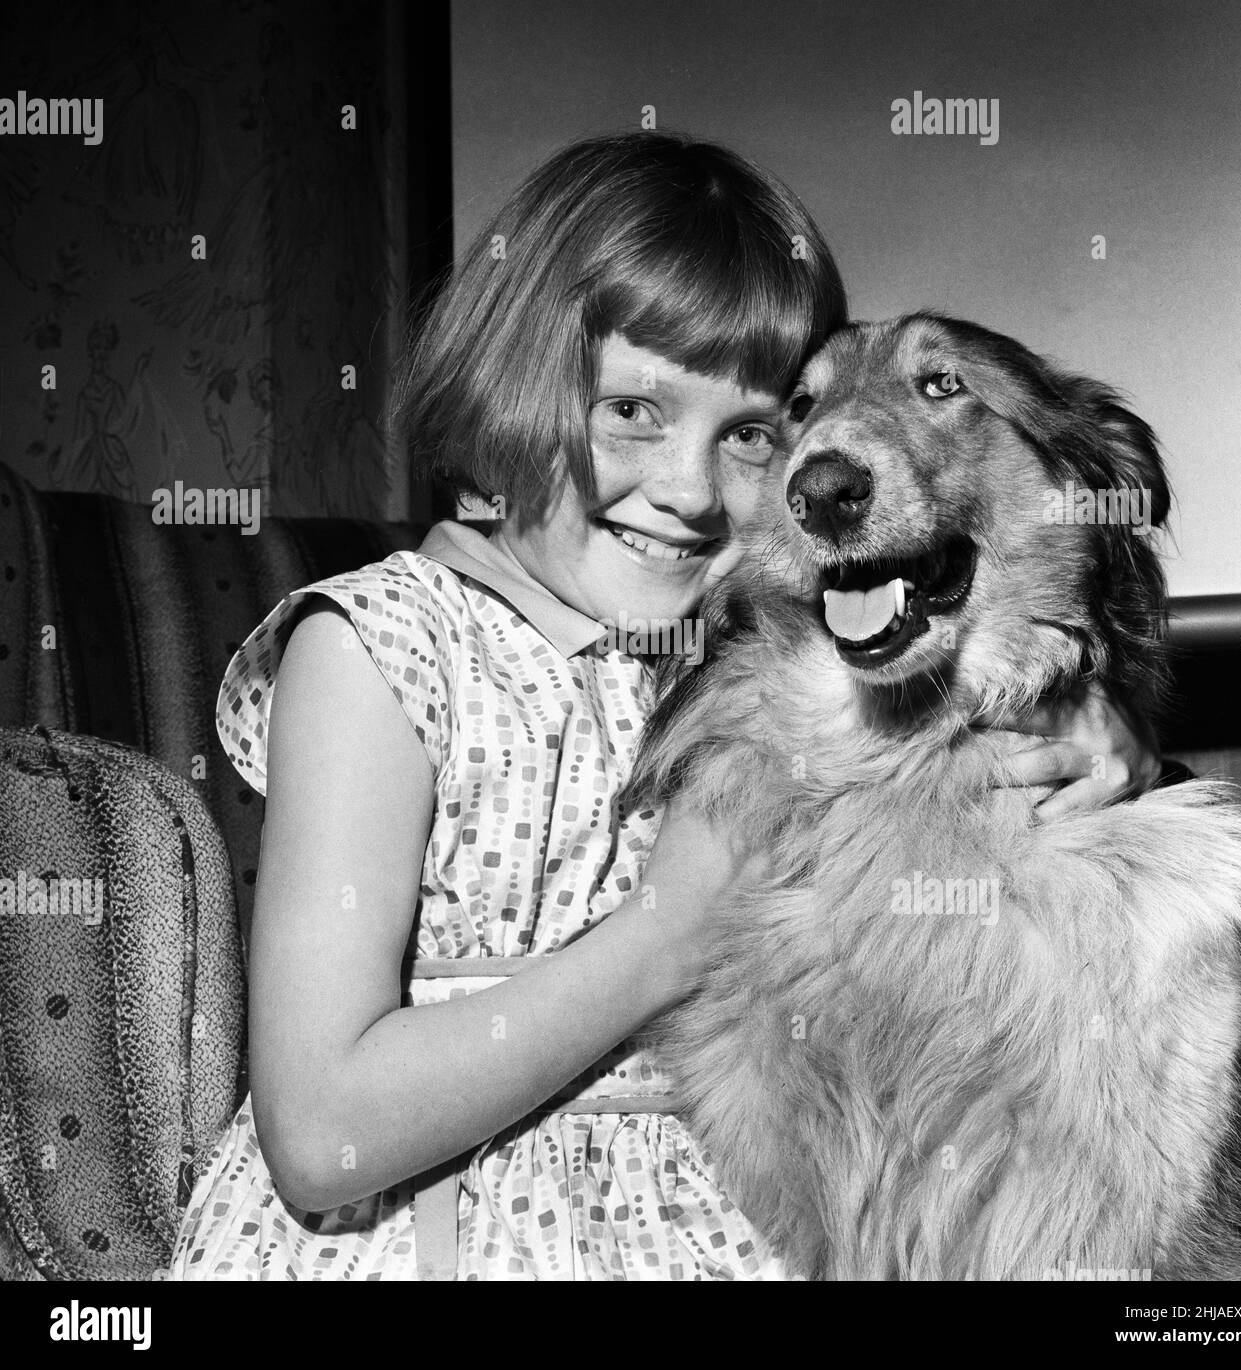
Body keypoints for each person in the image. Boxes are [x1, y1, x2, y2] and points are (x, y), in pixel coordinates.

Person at [169, 131, 1161, 1280]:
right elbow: (319, 1130)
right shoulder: (383, 650)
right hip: (430, 1235)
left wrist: (1109, 743)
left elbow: (981, 738)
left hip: (702, 1223)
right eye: (633, 411)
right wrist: (666, 935)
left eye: (750, 433)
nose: (692, 492)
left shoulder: (741, 655)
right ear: (514, 384)